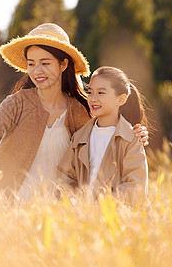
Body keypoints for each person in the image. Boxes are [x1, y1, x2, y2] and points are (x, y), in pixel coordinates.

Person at [0, 23, 148, 200]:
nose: (37, 71)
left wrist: (136, 133)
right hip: (6, 199)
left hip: (54, 206)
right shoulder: (18, 102)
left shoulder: (79, 109)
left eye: (45, 63)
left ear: (63, 64)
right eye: (31, 64)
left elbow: (104, 133)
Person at [58, 66, 148, 207]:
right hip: (80, 217)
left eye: (101, 93)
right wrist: (74, 204)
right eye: (90, 92)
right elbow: (65, 178)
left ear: (121, 99)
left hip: (114, 218)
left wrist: (101, 206)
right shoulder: (79, 138)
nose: (93, 99)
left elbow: (135, 186)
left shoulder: (130, 138)